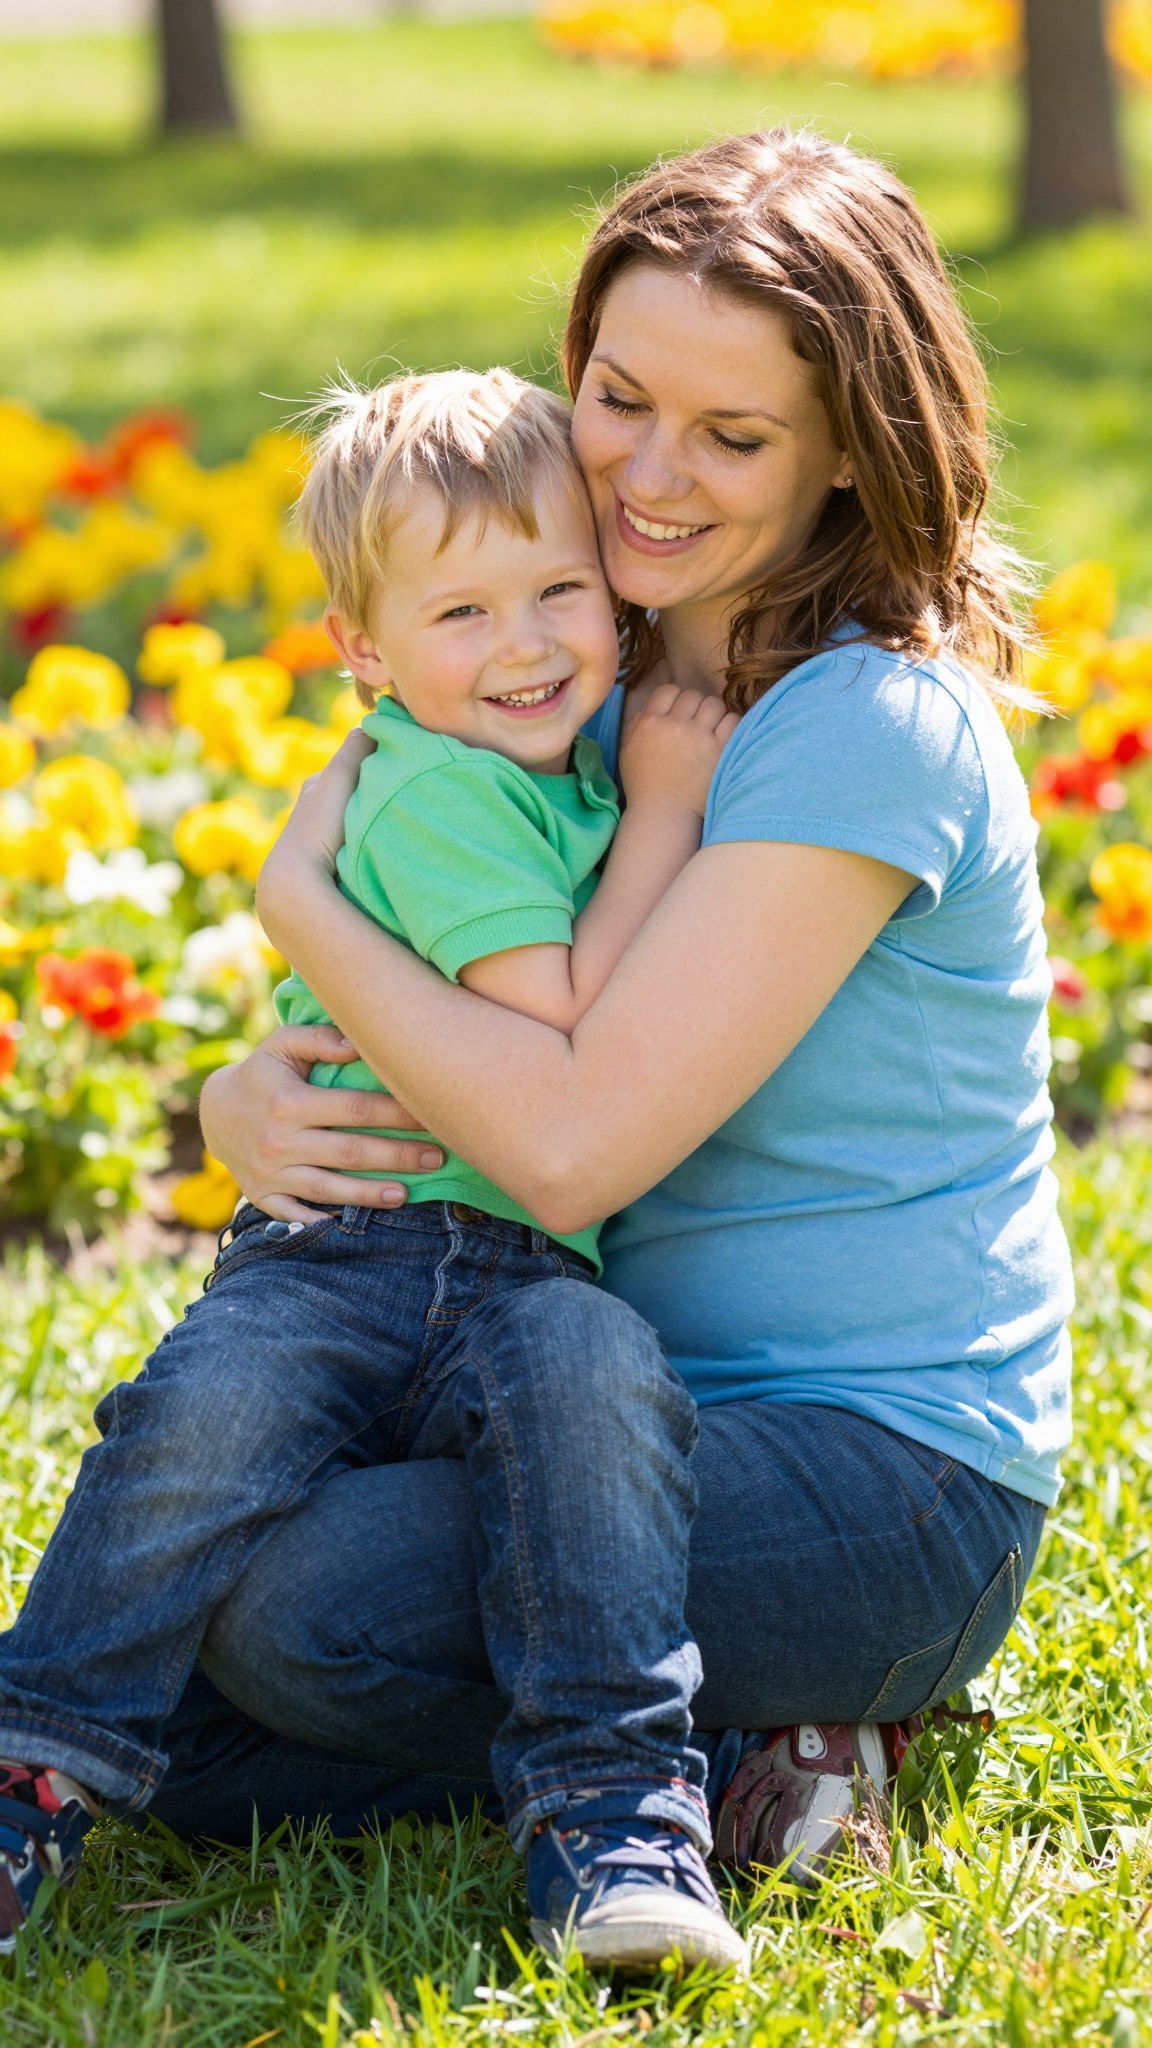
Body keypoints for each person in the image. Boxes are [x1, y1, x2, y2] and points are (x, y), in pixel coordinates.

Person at [0, 367, 745, 1970]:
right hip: (345, 1249)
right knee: (195, 1427)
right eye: (464, 611)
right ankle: (31, 1760)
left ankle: (617, 1808)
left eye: (560, 589)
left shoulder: (557, 764)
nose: (530, 643)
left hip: (525, 1272)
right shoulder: (439, 788)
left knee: (597, 1389)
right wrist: (673, 817)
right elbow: (566, 1022)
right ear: (365, 655)